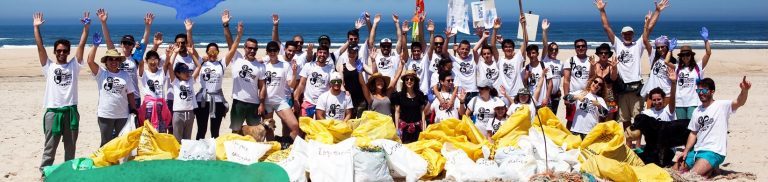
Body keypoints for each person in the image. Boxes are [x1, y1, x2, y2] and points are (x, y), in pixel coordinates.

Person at [34, 12, 89, 173]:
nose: (62, 53)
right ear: (55, 52)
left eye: (65, 51)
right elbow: (40, 47)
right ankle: (44, 172)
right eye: (59, 51)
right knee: (50, 146)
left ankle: (68, 172)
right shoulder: (49, 67)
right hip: (53, 112)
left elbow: (81, 46)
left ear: (68, 52)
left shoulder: (74, 66)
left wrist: (86, 28)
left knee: (70, 147)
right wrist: (36, 28)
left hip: (71, 112)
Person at [679, 76, 750, 177]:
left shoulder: (721, 105)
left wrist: (744, 90)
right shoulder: (696, 111)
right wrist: (685, 151)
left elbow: (739, 102)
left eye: (704, 90)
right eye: (698, 90)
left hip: (713, 151)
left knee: (691, 176)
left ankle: (710, 168)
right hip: (696, 151)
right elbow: (693, 133)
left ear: (712, 91)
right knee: (675, 171)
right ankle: (711, 170)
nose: (701, 93)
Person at [96, 9, 154, 113]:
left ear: (132, 46)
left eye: (129, 43)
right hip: (119, 96)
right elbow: (108, 40)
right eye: (125, 43)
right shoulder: (116, 57)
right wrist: (103, 23)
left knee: (133, 123)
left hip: (134, 97)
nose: (127, 45)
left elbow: (144, 42)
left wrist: (148, 26)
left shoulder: (135, 57)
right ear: (121, 44)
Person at [87, 45, 138, 146]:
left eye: (116, 59)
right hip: (106, 114)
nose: (113, 61)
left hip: (122, 115)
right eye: (110, 59)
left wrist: (133, 109)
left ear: (119, 61)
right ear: (106, 61)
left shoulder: (125, 75)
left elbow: (130, 93)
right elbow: (90, 61)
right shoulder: (101, 73)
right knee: (106, 143)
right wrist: (95, 46)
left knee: (121, 143)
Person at [222, 20, 267, 134]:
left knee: (255, 133)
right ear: (244, 47)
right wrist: (226, 25)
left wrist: (262, 103)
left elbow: (262, 87)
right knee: (236, 131)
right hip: (238, 103)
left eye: (255, 49)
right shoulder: (237, 58)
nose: (252, 51)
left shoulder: (260, 66)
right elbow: (230, 42)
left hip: (254, 104)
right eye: (250, 48)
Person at [263, 41, 301, 140]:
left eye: (275, 50)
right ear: (267, 52)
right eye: (270, 50)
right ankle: (273, 147)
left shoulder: (285, 65)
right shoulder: (263, 66)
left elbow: (291, 85)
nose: (272, 52)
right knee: (269, 129)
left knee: (294, 126)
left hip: (280, 101)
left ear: (278, 51)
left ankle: (287, 144)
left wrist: (294, 73)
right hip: (266, 102)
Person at [168, 38, 202, 142]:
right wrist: (175, 53)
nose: (187, 73)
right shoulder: (175, 81)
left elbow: (199, 66)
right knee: (177, 140)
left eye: (187, 70)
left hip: (190, 112)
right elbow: (170, 65)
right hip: (178, 113)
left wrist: (192, 54)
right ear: (177, 73)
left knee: (187, 140)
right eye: (184, 71)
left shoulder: (190, 80)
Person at [193, 42, 228, 139]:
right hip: (202, 100)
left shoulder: (221, 64)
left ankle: (214, 148)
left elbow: (232, 50)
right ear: (207, 52)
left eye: (215, 52)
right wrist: (189, 33)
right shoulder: (201, 62)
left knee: (215, 131)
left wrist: (238, 36)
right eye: (210, 52)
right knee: (201, 130)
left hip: (218, 101)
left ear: (218, 52)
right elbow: (191, 48)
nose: (212, 54)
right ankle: (199, 148)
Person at [443, 27, 486, 105]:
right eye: (462, 49)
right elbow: (444, 51)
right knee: (460, 111)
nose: (464, 51)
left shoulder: (473, 58)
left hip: (473, 91)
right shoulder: (454, 60)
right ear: (458, 49)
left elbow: (483, 47)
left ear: (469, 50)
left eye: (467, 49)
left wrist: (481, 36)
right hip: (459, 92)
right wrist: (447, 38)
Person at [676, 28, 712, 120]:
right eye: (683, 55)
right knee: (681, 126)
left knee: (692, 124)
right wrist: (670, 50)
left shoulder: (698, 67)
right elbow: (666, 62)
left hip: (694, 102)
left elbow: (708, 53)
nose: (685, 57)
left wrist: (706, 40)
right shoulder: (677, 68)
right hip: (679, 102)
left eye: (687, 55)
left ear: (691, 56)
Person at [294, 45, 335, 118]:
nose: (322, 55)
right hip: (308, 102)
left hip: (323, 104)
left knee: (321, 125)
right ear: (316, 54)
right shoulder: (308, 66)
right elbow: (301, 84)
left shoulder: (330, 69)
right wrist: (296, 99)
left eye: (324, 53)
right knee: (304, 124)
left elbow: (332, 86)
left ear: (328, 55)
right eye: (320, 52)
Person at [137, 50, 171, 133]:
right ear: (146, 60)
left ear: (158, 61)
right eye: (151, 59)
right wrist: (140, 50)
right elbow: (140, 64)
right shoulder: (144, 73)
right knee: (148, 133)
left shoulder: (161, 72)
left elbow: (166, 64)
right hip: (148, 108)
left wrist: (168, 55)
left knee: (161, 133)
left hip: (161, 108)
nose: (153, 62)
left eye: (155, 59)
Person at [391, 70, 428, 143]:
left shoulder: (420, 95)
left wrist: (424, 128)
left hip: (417, 128)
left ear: (415, 81)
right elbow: (397, 112)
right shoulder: (399, 95)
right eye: (407, 79)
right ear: (404, 81)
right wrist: (397, 128)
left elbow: (422, 112)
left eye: (411, 79)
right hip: (404, 129)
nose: (409, 81)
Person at [562, 39, 591, 129]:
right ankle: (569, 136)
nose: (580, 48)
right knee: (571, 120)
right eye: (578, 46)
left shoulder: (591, 61)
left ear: (586, 47)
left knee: (586, 120)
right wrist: (566, 97)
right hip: (573, 96)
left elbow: (593, 78)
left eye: (583, 46)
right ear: (575, 48)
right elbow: (566, 80)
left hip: (587, 96)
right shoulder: (570, 60)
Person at [337, 44, 370, 118]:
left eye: (354, 52)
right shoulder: (342, 66)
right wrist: (345, 91)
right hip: (348, 99)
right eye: (350, 52)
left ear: (357, 53)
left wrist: (373, 60)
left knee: (361, 122)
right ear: (347, 53)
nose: (352, 54)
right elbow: (341, 84)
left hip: (361, 99)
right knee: (349, 121)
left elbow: (373, 72)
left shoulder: (360, 65)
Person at [540, 19, 565, 114]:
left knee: (553, 116)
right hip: (545, 95)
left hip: (556, 96)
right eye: (551, 49)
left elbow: (560, 76)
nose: (553, 51)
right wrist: (544, 31)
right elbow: (545, 45)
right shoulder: (545, 59)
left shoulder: (560, 63)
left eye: (555, 49)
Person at [591, 44, 620, 120]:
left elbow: (613, 78)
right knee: (597, 118)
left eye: (606, 53)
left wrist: (614, 68)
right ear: (598, 54)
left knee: (610, 120)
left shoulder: (612, 65)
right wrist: (592, 66)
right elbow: (591, 78)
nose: (603, 54)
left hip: (610, 96)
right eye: (601, 53)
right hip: (597, 95)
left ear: (609, 55)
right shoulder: (594, 64)